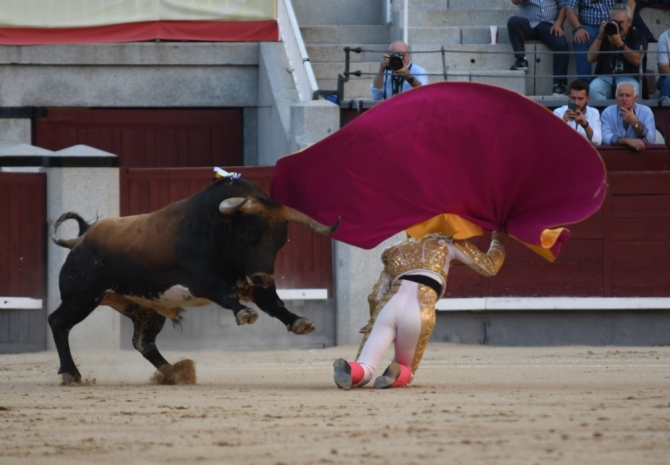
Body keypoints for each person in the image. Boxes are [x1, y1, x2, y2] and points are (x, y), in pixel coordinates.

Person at [333, 231, 508, 389]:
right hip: (419, 311)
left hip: (388, 307)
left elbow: (375, 296)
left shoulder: (393, 250)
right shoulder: (446, 242)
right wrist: (498, 241)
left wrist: (373, 320)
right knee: (406, 368)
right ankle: (397, 371)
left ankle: (351, 371)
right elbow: (489, 266)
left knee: (366, 365)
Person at [507, 0, 570, 96]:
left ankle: (559, 84)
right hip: (528, 23)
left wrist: (558, 23)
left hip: (549, 25)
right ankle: (521, 59)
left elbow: (563, 6)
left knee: (562, 44)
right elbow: (515, 2)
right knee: (513, 22)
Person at [586, 3, 647, 100]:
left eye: (621, 22)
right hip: (605, 77)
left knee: (632, 90)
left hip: (628, 77)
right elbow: (590, 58)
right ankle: (607, 114)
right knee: (593, 89)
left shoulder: (638, 36)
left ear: (629, 22)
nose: (618, 26)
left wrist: (620, 43)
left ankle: (625, 114)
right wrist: (600, 36)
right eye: (614, 22)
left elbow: (637, 60)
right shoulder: (606, 34)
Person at [566, 0, 635, 82]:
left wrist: (627, 23)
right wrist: (578, 28)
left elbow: (631, 2)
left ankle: (624, 81)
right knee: (580, 39)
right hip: (588, 27)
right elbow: (569, 9)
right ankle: (584, 83)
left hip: (612, 24)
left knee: (627, 37)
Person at [601, 81, 655, 150]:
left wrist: (635, 123)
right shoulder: (608, 112)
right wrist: (627, 141)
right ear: (616, 98)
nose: (624, 99)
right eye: (621, 95)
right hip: (616, 155)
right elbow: (604, 137)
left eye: (628, 95)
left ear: (635, 98)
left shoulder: (646, 112)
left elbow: (651, 140)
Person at [553, 80, 602, 145]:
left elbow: (598, 142)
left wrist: (585, 125)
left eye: (580, 99)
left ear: (587, 99)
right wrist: (563, 121)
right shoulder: (558, 112)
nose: (576, 103)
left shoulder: (594, 112)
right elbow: (551, 139)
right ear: (568, 97)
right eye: (573, 98)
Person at [656, 27, 670, 105]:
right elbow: (663, 68)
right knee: (668, 82)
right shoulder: (664, 37)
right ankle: (664, 113)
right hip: (667, 77)